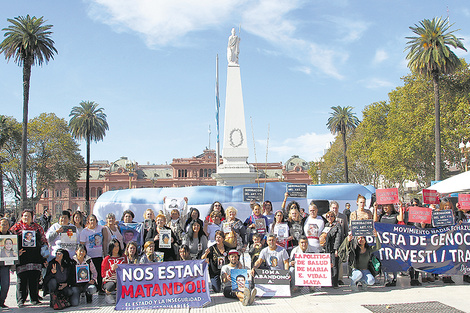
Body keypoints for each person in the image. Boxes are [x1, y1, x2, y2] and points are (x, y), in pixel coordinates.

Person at [10, 209, 48, 307]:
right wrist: (15, 252)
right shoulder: (16, 228)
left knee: (34, 279)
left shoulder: (37, 228)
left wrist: (44, 256)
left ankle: (34, 298)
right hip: (22, 257)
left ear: (32, 217)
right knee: (21, 280)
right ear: (22, 216)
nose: (26, 218)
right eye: (25, 216)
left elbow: (44, 241)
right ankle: (21, 300)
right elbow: (9, 241)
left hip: (35, 257)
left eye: (29, 216)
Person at [373, 203, 403, 287]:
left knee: (394, 260)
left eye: (387, 206)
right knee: (384, 259)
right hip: (384, 241)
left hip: (393, 241)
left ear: (391, 206)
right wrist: (375, 209)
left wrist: (400, 207)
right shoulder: (382, 215)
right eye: (383, 206)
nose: (385, 208)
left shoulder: (395, 215)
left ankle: (394, 278)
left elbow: (401, 218)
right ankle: (386, 278)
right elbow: (375, 221)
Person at [79, 214, 104, 294]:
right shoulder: (84, 231)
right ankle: (88, 290)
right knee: (90, 273)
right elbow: (82, 244)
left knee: (99, 272)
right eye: (91, 220)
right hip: (89, 256)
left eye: (94, 220)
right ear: (88, 221)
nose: (92, 222)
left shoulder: (100, 228)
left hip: (99, 255)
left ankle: (100, 288)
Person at [102, 239, 127, 304]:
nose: (116, 248)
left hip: (122, 278)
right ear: (111, 247)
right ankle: (108, 294)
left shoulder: (124, 257)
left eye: (118, 246)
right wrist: (111, 269)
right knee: (111, 286)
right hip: (111, 280)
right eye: (114, 246)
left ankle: (124, 296)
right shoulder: (107, 259)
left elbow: (127, 268)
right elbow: (103, 274)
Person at [323, 211, 343, 288]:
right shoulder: (327, 225)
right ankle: (328, 281)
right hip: (327, 248)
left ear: (334, 217)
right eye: (328, 216)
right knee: (328, 265)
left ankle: (335, 283)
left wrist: (336, 249)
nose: (329, 218)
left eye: (331, 216)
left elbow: (338, 238)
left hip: (334, 248)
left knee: (334, 265)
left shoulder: (337, 225)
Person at [0, 218, 13, 308]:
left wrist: (16, 254)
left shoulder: (11, 235)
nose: (4, 226)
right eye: (2, 224)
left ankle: (1, 302)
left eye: (6, 224)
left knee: (5, 284)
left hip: (5, 263)